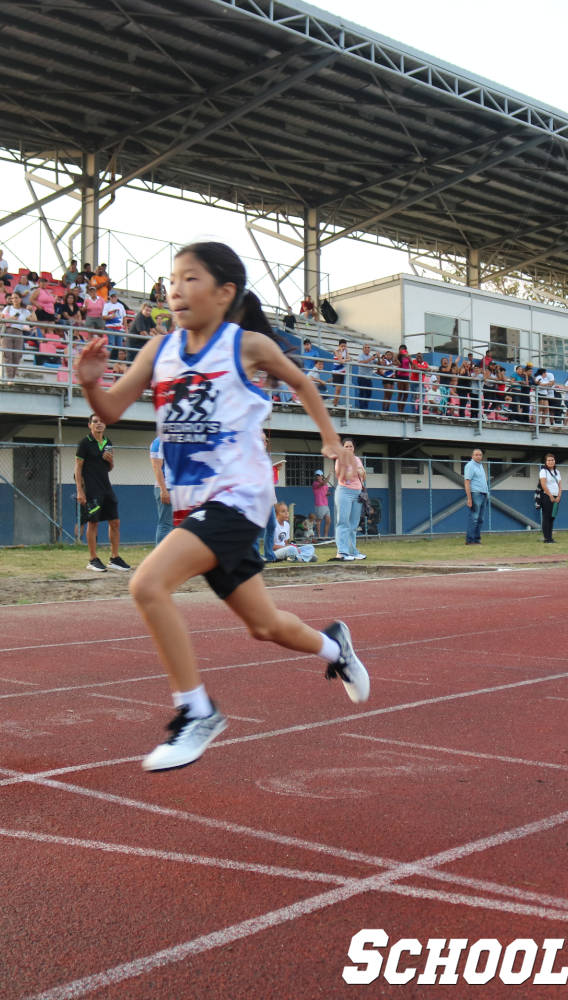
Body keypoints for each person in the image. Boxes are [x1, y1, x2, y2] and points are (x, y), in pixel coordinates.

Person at [74, 240, 368, 771]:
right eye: (172, 279)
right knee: (266, 625)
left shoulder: (246, 345)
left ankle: (197, 710)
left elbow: (301, 382)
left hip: (239, 497)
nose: (176, 289)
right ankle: (335, 648)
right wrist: (91, 384)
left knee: (147, 583)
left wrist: (330, 442)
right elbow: (112, 409)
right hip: (195, 509)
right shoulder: (158, 350)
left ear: (224, 291)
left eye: (190, 278)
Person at [75, 414, 130, 573]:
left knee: (115, 522)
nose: (99, 424)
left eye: (102, 421)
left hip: (106, 487)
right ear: (89, 425)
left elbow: (109, 467)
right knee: (93, 523)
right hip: (91, 489)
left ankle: (114, 558)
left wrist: (110, 461)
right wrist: (80, 490)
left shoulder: (108, 443)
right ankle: (92, 559)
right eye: (95, 421)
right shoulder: (85, 443)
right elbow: (78, 468)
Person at [332, 438, 366, 561]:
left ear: (353, 448)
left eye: (350, 446)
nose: (348, 449)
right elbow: (341, 476)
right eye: (346, 447)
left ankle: (353, 551)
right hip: (344, 492)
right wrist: (355, 471)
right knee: (343, 522)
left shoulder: (357, 460)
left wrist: (360, 471)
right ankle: (342, 552)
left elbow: (363, 475)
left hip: (357, 493)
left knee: (353, 524)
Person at [150, 436, 173, 546]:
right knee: (165, 524)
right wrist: (163, 490)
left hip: (181, 489)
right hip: (166, 487)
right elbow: (156, 466)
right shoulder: (159, 442)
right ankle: (161, 559)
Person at [463, 447, 489, 546]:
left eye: (480, 455)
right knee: (474, 518)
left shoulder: (480, 466)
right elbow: (467, 482)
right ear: (472, 456)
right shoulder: (470, 466)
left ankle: (477, 539)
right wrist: (469, 498)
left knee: (480, 518)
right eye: (476, 455)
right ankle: (470, 540)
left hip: (484, 494)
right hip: (475, 494)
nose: (478, 456)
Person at [537, 452, 561, 543]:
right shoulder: (543, 471)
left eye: (552, 460)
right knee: (546, 516)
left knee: (552, 517)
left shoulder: (557, 472)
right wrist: (550, 495)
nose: (551, 462)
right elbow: (543, 484)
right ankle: (547, 538)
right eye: (549, 460)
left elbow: (560, 485)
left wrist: (559, 496)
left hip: (556, 497)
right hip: (546, 496)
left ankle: (550, 537)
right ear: (546, 462)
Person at [310, 469, 331, 538]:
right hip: (319, 505)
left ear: (322, 476)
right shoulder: (315, 483)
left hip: (325, 505)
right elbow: (323, 483)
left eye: (319, 475)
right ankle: (319, 537)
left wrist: (328, 494)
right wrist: (330, 474)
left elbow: (324, 491)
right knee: (318, 521)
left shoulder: (325, 483)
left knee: (328, 521)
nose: (318, 477)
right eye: (317, 475)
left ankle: (325, 536)